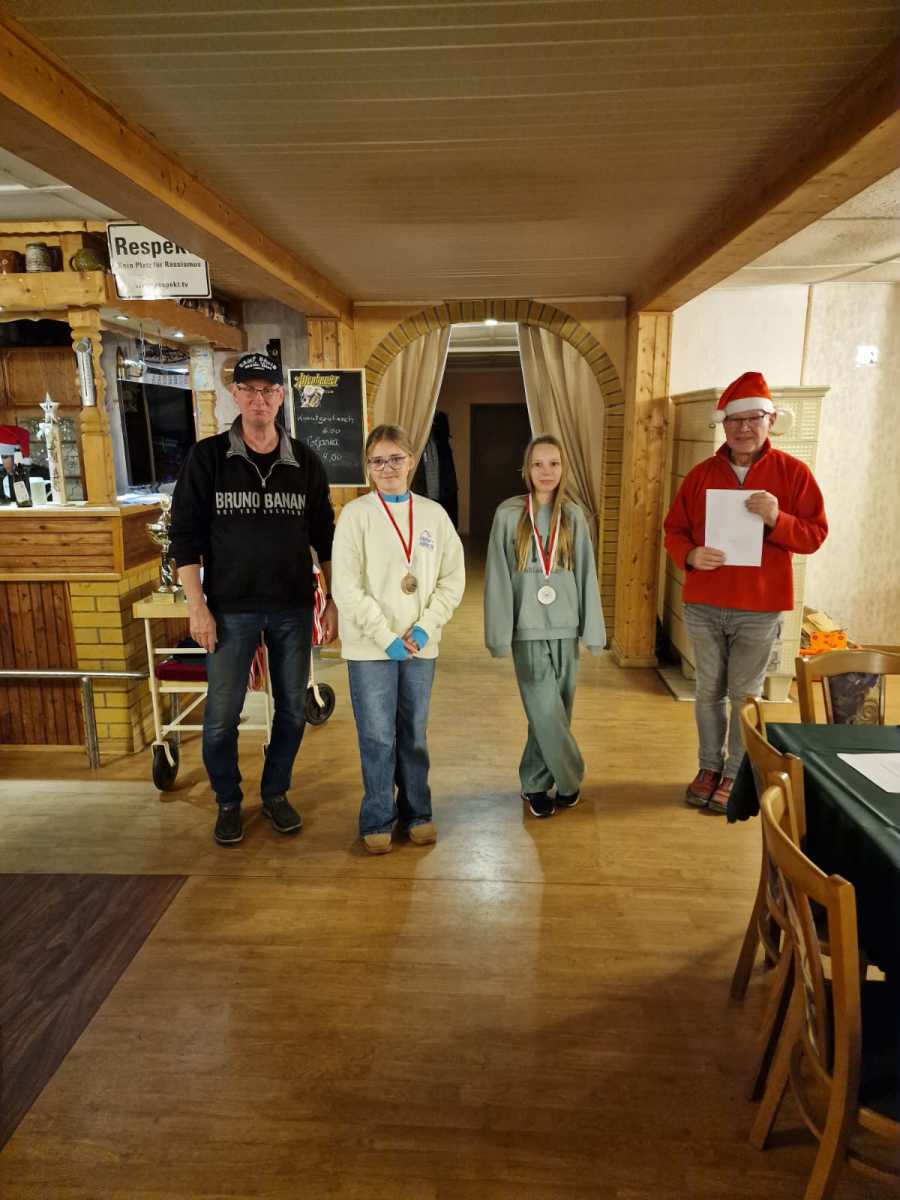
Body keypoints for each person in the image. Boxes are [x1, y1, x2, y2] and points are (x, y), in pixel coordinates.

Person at [170, 351, 338, 846]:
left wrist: (332, 600)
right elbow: (185, 537)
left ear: (281, 397)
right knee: (221, 716)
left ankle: (275, 793)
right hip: (229, 609)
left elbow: (325, 536)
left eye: (268, 390)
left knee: (292, 710)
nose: (259, 399)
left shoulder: (305, 461)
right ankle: (228, 800)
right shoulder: (207, 458)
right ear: (235, 394)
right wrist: (197, 606)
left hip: (292, 606)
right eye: (249, 389)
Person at [663, 371, 827, 814]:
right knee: (707, 692)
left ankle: (735, 773)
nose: (744, 428)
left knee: (744, 694)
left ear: (770, 420)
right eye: (735, 420)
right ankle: (707, 767)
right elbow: (674, 529)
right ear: (724, 425)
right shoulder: (701, 474)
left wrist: (778, 518)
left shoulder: (793, 474)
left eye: (754, 418)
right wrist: (690, 554)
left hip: (759, 607)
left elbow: (814, 535)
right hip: (703, 604)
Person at [331, 424, 465, 854]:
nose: (387, 467)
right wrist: (384, 636)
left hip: (420, 643)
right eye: (377, 461)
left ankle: (418, 813)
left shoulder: (433, 515)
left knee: (413, 734)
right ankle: (377, 817)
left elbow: (452, 579)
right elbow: (346, 587)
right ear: (368, 467)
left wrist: (426, 627)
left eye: (395, 458)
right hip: (370, 647)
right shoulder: (355, 515)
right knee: (377, 736)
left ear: (411, 460)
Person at [484, 434, 605, 818]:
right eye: (538, 464)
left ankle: (534, 781)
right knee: (545, 710)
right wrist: (498, 634)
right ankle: (570, 777)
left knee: (555, 712)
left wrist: (593, 631)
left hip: (566, 629)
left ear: (563, 468)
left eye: (554, 463)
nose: (546, 471)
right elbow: (498, 577)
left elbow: (587, 574)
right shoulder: (508, 515)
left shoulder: (574, 516)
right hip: (527, 630)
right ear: (526, 469)